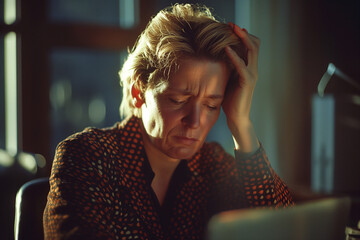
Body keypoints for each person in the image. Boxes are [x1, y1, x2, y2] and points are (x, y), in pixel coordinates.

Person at [43, 3, 294, 240]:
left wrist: (240, 123)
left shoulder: (211, 165)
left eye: (211, 105)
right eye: (177, 99)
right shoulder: (87, 156)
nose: (195, 122)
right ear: (138, 93)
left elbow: (283, 230)